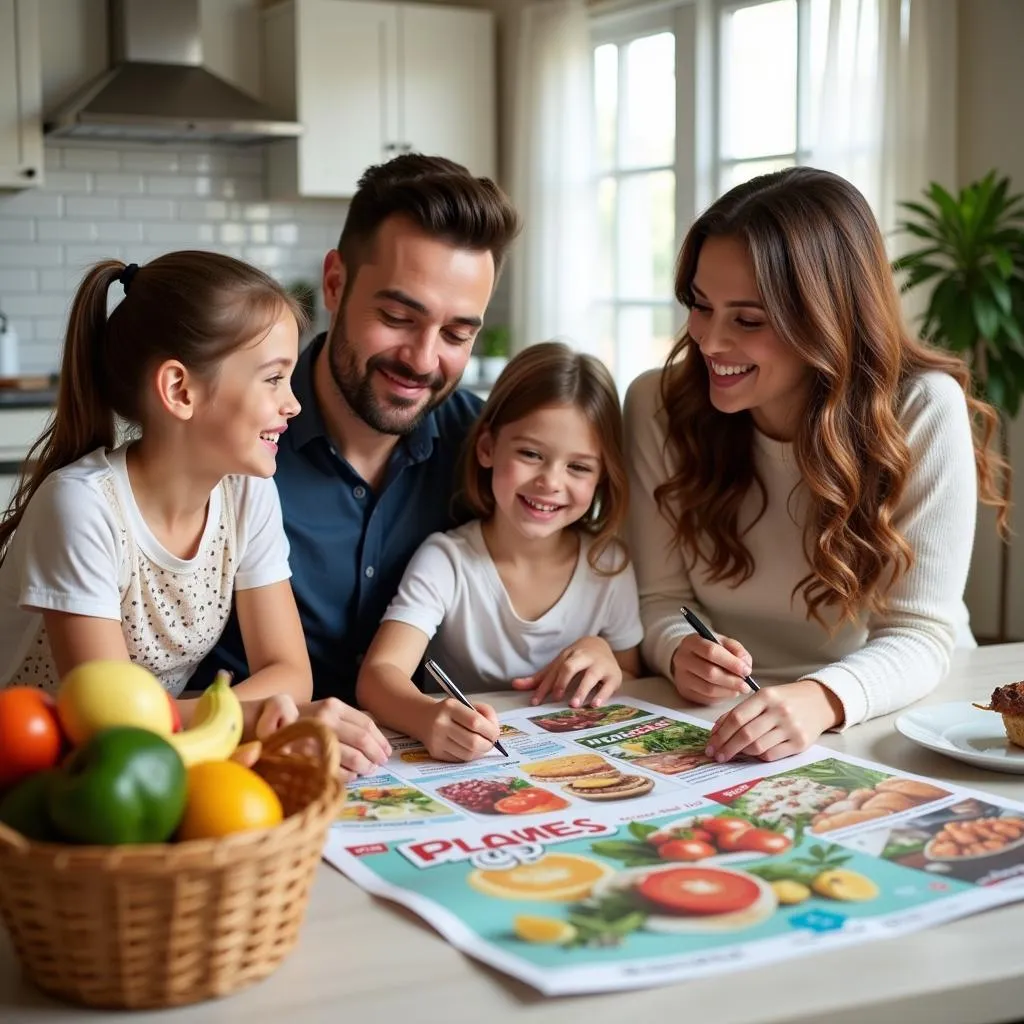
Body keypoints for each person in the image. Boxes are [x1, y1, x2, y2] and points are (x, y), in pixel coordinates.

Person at [624, 166, 1008, 764]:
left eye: (748, 320)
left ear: (826, 319)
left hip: (898, 709)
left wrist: (819, 697)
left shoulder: (922, 408)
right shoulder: (657, 404)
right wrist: (679, 650)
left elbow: (919, 633)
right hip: (727, 715)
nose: (709, 342)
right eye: (701, 306)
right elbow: (661, 600)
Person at [201, 154, 522, 753]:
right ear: (334, 283)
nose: (423, 360)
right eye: (398, 317)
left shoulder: (489, 452)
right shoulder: (221, 435)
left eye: (456, 334)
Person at [0, 252, 312, 743]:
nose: (292, 403)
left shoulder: (249, 494)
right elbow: (104, 718)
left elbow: (291, 676)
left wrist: (240, 716)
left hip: (146, 758)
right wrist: (247, 717)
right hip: (34, 772)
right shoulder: (82, 507)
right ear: (179, 390)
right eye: (273, 378)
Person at [356, 341, 644, 762]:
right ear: (488, 447)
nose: (550, 481)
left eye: (578, 467)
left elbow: (632, 672)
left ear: (602, 477)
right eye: (531, 454)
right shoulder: (447, 561)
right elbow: (379, 676)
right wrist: (427, 716)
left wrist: (606, 657)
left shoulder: (609, 565)